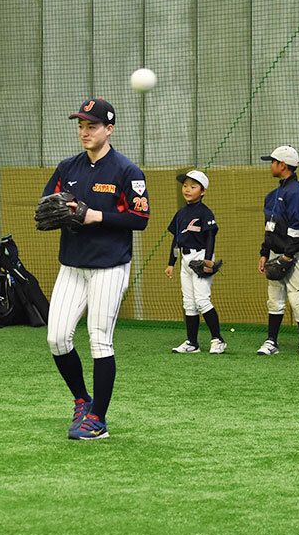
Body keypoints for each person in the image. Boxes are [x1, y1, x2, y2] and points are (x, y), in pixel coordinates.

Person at [43, 98, 150, 440]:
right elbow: (47, 206)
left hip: (109, 265)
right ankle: (81, 399)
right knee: (57, 337)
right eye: (80, 125)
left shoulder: (127, 171)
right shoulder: (67, 168)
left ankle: (98, 419)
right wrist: (53, 212)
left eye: (92, 126)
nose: (84, 131)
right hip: (72, 265)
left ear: (109, 129)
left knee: (99, 341)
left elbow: (140, 218)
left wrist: (95, 216)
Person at [256, 145, 299, 356]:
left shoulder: (296, 193)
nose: (270, 165)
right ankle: (271, 341)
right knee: (274, 298)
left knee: (297, 297)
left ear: (283, 165)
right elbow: (269, 228)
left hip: (295, 254)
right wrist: (264, 253)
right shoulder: (273, 194)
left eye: (272, 162)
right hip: (275, 252)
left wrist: (288, 256)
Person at [165, 170, 226, 355]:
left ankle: (218, 340)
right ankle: (192, 343)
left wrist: (208, 259)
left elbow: (210, 237)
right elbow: (176, 241)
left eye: (193, 186)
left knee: (202, 300)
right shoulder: (181, 213)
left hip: (200, 257)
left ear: (203, 191)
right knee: (189, 303)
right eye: (185, 186)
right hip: (185, 259)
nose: (187, 189)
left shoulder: (205, 212)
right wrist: (171, 263)